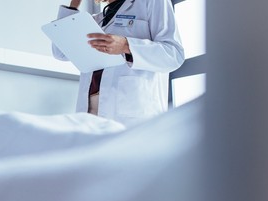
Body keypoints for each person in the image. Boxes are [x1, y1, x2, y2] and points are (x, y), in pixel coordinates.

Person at [52, 0, 185, 126]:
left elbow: (173, 54)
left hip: (132, 111)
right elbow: (60, 52)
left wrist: (126, 45)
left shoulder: (151, 2)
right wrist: (73, 5)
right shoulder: (97, 20)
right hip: (90, 111)